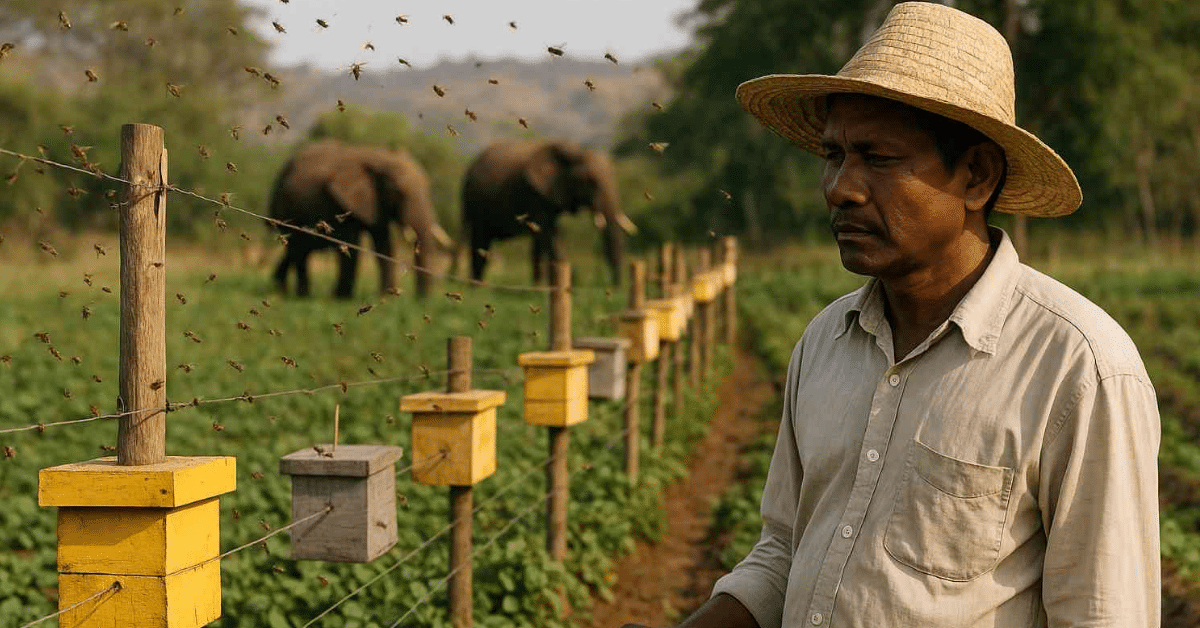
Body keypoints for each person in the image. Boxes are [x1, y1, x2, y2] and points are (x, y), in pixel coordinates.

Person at [623, 2, 1161, 627]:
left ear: (976, 178)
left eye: (878, 160)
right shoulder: (825, 343)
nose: (840, 188)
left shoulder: (1078, 368)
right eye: (833, 157)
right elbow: (783, 553)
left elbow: (1104, 612)